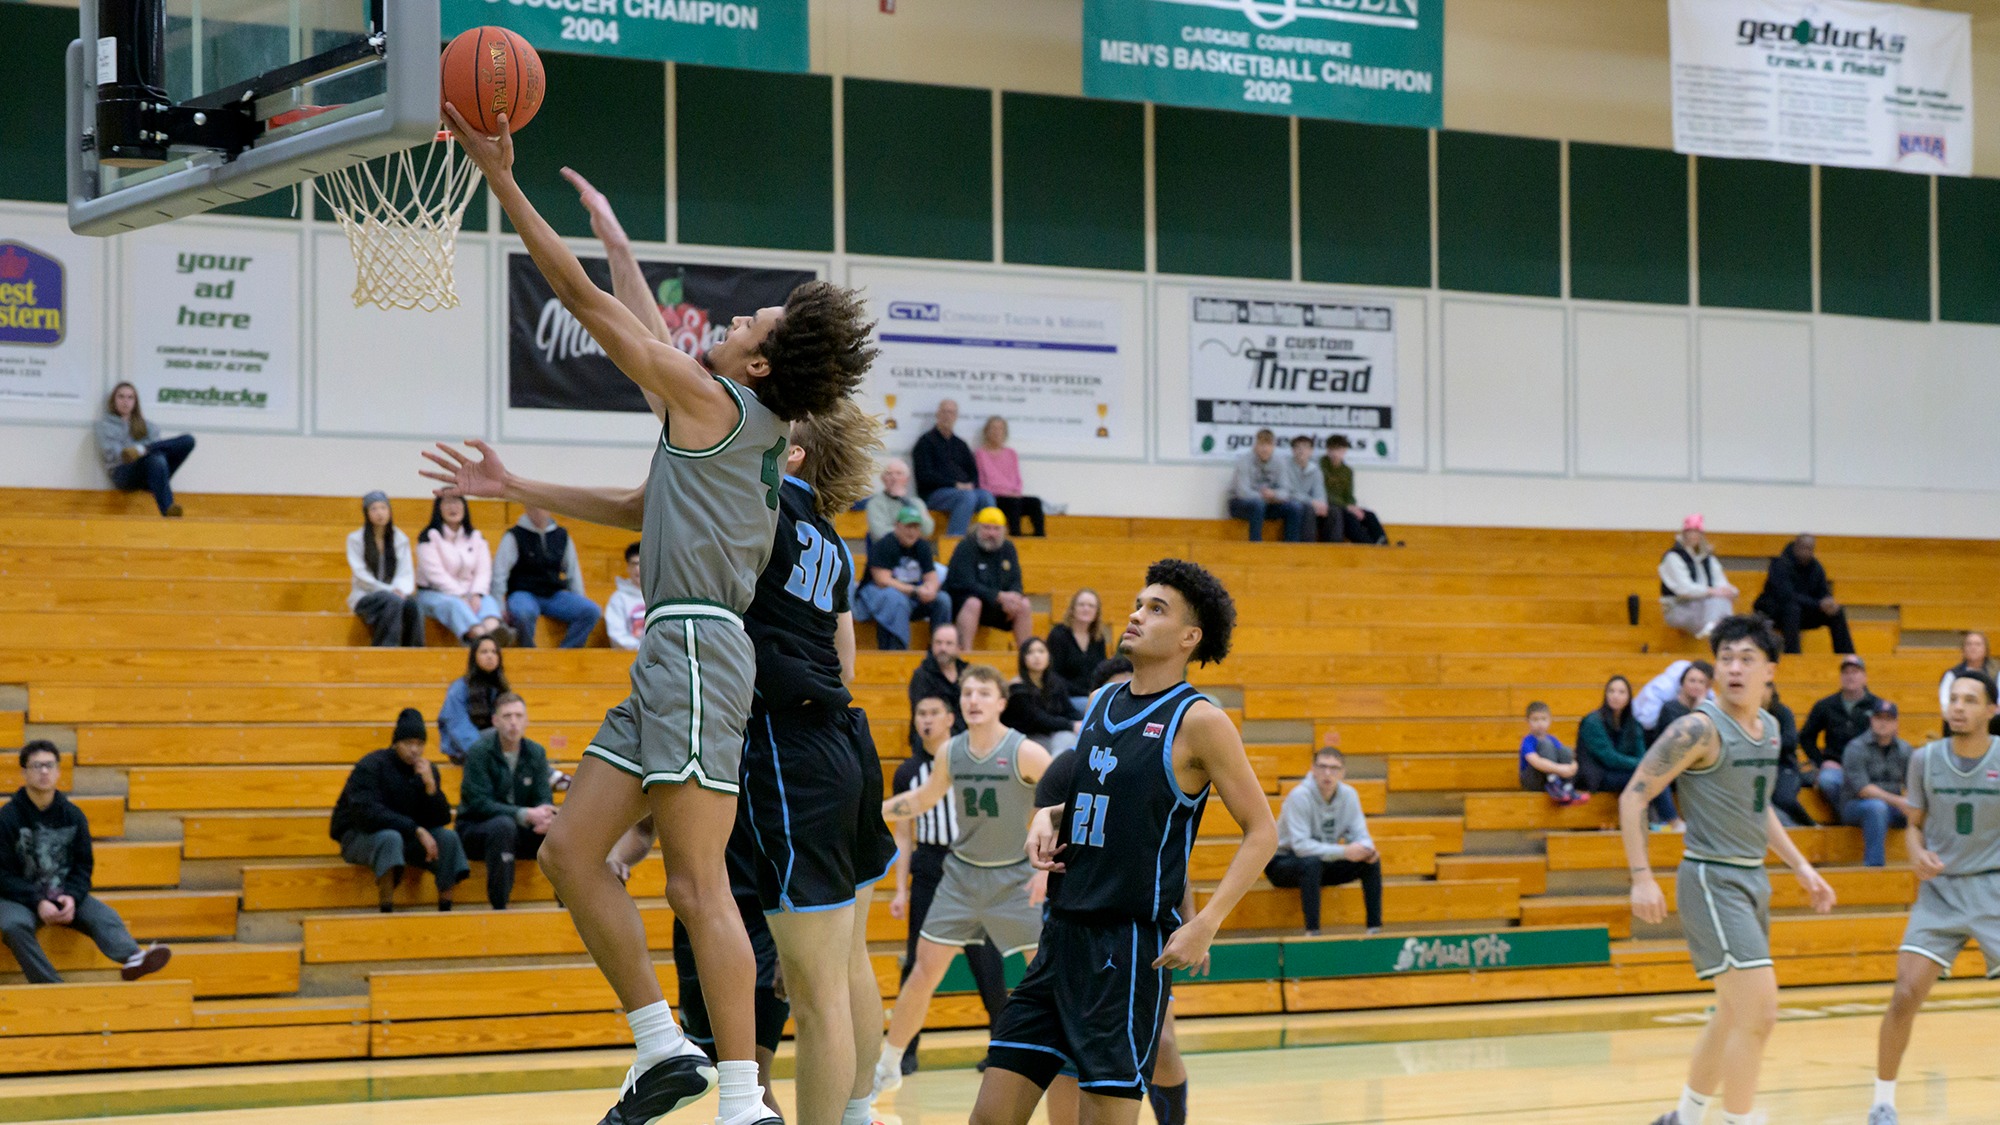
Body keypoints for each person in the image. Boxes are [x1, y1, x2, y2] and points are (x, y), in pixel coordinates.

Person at [423, 130, 872, 1125]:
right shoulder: (723, 421)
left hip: (705, 649)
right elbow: (642, 503)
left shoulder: (715, 405)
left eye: (746, 318)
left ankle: (745, 1100)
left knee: (697, 886)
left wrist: (500, 178)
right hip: (671, 651)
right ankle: (661, 1045)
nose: (724, 321)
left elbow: (588, 310)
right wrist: (514, 484)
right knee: (571, 853)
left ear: (755, 362)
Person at [972, 558, 1277, 1125]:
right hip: (1060, 937)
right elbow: (1105, 805)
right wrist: (1049, 818)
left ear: (1190, 637)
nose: (1136, 614)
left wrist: (1204, 922)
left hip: (1127, 949)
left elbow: (1263, 832)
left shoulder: (1201, 721)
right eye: (1139, 603)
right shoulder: (1103, 705)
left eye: (1156, 608)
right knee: (989, 1117)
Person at [732, 405, 902, 1125]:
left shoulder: (761, 511)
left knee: (814, 983)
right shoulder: (832, 540)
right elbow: (847, 658)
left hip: (791, 748)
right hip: (846, 740)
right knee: (849, 957)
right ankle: (859, 1111)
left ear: (792, 459)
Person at [1621, 615, 1836, 1125]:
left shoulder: (1771, 728)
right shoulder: (1697, 728)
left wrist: (1802, 867)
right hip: (1711, 879)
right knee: (1760, 1013)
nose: (1734, 669)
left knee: (1732, 1015)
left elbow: (1756, 807)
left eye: (1747, 659)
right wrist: (1641, 876)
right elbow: (1634, 796)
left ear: (1770, 671)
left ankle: (1684, 1118)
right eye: (1726, 659)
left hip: (1751, 878)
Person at [874, 666, 1053, 1100]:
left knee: (1044, 974)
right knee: (922, 973)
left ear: (1000, 703)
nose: (973, 699)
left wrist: (1045, 870)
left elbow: (1064, 804)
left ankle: (1060, 1059)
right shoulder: (951, 752)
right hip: (961, 877)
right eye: (968, 692)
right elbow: (923, 800)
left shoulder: (1025, 752)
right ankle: (889, 1064)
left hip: (1014, 878)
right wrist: (872, 813)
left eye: (983, 693)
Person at [1031, 726, 1195, 1125]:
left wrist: (1193, 922)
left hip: (1138, 929)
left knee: (1163, 1044)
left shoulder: (1151, 765)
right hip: (1073, 922)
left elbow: (1173, 858)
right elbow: (1041, 838)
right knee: (1067, 1057)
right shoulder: (1066, 768)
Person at [1869, 671, 2000, 1125]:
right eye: (1953, 699)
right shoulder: (1924, 759)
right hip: (1941, 892)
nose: (1958, 707)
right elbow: (1914, 824)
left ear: (1991, 711)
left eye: (1970, 699)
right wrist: (1916, 854)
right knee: (1905, 994)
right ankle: (1882, 1103)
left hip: (1993, 888)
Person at [609, 818, 788, 1123]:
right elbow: (643, 829)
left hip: (761, 925)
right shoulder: (675, 776)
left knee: (752, 1079)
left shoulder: (765, 772)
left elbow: (790, 841)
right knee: (721, 1067)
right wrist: (615, 859)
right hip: (694, 933)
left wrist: (789, 943)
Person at [886, 694, 1012, 1077]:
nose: (926, 720)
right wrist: (900, 889)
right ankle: (905, 1051)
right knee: (918, 961)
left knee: (986, 961)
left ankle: (1002, 1048)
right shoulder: (908, 772)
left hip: (970, 866)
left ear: (948, 719)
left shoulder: (968, 761)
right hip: (928, 867)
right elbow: (904, 837)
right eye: (920, 713)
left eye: (933, 713)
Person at [0, 741, 171, 983]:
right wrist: (37, 901)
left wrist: (72, 896)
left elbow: (83, 866)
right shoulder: (7, 818)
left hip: (62, 893)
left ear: (59, 771)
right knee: (13, 926)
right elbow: (3, 875)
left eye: (49, 765)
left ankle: (134, 958)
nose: (44, 772)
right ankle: (50, 984)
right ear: (24, 773)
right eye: (37, 766)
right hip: (19, 898)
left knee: (106, 915)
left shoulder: (73, 816)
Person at [328, 709, 469, 913]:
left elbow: (441, 819)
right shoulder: (371, 765)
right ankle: (387, 911)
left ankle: (445, 910)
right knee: (390, 838)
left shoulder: (426, 770)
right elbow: (368, 815)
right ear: (396, 743)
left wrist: (431, 788)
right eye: (408, 743)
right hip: (358, 836)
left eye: (420, 744)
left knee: (448, 838)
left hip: (404, 838)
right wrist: (416, 830)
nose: (414, 750)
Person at [1266, 743, 1382, 934]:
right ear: (1313, 769)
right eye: (1322, 767)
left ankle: (1374, 929)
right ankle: (1313, 933)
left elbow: (1362, 835)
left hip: (1321, 862)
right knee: (1311, 863)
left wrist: (1367, 850)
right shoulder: (1299, 796)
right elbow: (1301, 847)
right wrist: (1345, 851)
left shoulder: (1349, 795)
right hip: (1282, 863)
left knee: (1370, 862)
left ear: (1342, 772)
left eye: (1334, 768)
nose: (1328, 773)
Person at [455, 693, 555, 910]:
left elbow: (543, 797)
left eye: (519, 716)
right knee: (503, 826)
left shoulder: (536, 752)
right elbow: (478, 803)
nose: (513, 722)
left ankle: (569, 906)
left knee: (561, 829)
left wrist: (546, 816)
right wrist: (524, 814)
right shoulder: (479, 752)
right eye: (507, 716)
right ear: (495, 721)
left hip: (520, 831)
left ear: (526, 721)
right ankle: (500, 908)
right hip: (476, 829)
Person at [492, 506, 601, 649]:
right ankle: (529, 652)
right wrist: (498, 606)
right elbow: (500, 573)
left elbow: (573, 572)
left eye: (542, 507)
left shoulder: (562, 535)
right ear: (527, 508)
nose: (538, 511)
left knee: (591, 611)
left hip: (554, 595)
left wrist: (579, 598)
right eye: (533, 507)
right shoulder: (514, 535)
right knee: (524, 613)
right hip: (523, 593)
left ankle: (566, 654)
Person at [414, 493, 515, 648]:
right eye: (447, 503)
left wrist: (475, 593)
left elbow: (483, 571)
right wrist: (461, 595)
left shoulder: (476, 537)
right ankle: (483, 639)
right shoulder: (428, 538)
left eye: (457, 503)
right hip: (434, 593)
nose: (453, 507)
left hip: (470, 593)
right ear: (438, 509)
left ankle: (495, 632)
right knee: (455, 605)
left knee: (487, 602)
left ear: (465, 508)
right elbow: (435, 574)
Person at [1579, 675, 1678, 827]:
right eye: (1611, 691)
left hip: (1623, 772)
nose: (1615, 696)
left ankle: (1657, 822)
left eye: (1621, 692)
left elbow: (1641, 753)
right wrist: (1644, 764)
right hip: (1598, 775)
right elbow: (1609, 758)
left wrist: (1645, 764)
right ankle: (1672, 821)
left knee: (1652, 775)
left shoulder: (1633, 723)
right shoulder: (1593, 721)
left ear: (1628, 697)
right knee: (1649, 776)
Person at [853, 506, 952, 651]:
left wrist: (930, 589)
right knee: (894, 599)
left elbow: (931, 576)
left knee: (942, 599)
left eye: (916, 527)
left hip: (909, 597)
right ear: (897, 526)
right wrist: (915, 590)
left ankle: (939, 648)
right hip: (874, 596)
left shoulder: (922, 546)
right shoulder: (884, 544)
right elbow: (882, 580)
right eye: (908, 526)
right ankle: (896, 651)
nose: (912, 531)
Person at [96, 381, 194, 517]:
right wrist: (137, 455)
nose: (126, 401)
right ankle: (168, 510)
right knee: (156, 458)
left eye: (130, 397)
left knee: (188, 440)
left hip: (153, 472)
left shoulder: (148, 426)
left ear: (135, 402)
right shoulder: (105, 425)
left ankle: (144, 449)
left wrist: (142, 451)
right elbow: (116, 455)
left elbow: (159, 450)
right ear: (114, 400)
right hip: (124, 473)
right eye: (121, 397)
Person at [1839, 701, 1915, 869]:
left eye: (1888, 719)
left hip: (1893, 807)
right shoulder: (1856, 748)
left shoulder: (1905, 749)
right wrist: (1899, 801)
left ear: (1896, 723)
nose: (1883, 723)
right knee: (1876, 807)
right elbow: (1863, 789)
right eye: (1879, 717)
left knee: (1925, 808)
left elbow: (1914, 784)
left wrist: (1911, 802)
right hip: (1856, 806)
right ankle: (1875, 868)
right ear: (1871, 720)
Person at [944, 507, 1034, 648]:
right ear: (978, 528)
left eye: (996, 529)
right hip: (965, 604)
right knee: (974, 603)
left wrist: (1013, 598)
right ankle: (965, 656)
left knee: (1024, 604)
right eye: (987, 528)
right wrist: (998, 596)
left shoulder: (1008, 548)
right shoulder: (966, 546)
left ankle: (1026, 655)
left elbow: (1016, 580)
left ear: (1003, 531)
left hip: (997, 606)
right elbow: (965, 583)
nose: (991, 533)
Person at [1752, 534, 1854, 654]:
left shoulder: (1816, 567)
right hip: (1774, 612)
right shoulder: (1779, 564)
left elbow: (1823, 593)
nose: (1806, 552)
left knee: (1836, 612)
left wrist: (1828, 602)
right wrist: (1818, 604)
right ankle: (1793, 656)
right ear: (1796, 546)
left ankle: (1848, 658)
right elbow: (1787, 596)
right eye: (1803, 548)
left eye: (1810, 549)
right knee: (1792, 609)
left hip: (1803, 612)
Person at [1802, 654, 1880, 810]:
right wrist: (1820, 762)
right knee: (1827, 781)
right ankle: (1848, 813)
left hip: (1866, 768)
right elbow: (1806, 737)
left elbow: (1886, 739)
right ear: (1840, 677)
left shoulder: (1877, 706)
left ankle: (1855, 812)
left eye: (1855, 672)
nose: (1850, 676)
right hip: (1835, 765)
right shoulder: (1825, 705)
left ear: (1864, 677)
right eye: (1846, 672)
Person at [347, 491, 424, 647]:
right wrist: (389, 590)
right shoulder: (355, 539)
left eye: (383, 508)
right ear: (367, 513)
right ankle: (385, 650)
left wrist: (400, 591)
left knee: (413, 604)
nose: (379, 513)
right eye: (374, 509)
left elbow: (405, 572)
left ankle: (415, 653)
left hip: (394, 594)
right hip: (366, 595)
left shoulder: (400, 538)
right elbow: (361, 574)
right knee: (392, 601)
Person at [912, 400, 996, 536]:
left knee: (986, 496)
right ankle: (954, 543)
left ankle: (987, 540)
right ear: (937, 415)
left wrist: (970, 484)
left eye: (951, 412)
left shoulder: (961, 444)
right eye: (944, 411)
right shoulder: (925, 442)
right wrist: (955, 485)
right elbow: (924, 476)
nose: (947, 416)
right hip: (934, 494)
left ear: (956, 416)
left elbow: (973, 473)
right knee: (967, 497)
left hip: (962, 491)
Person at [1658, 515, 1738, 640]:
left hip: (1704, 606)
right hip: (1679, 607)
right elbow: (1684, 589)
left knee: (1723, 599)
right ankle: (1717, 629)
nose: (1693, 535)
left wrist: (1730, 591)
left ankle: (1716, 628)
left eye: (1697, 532)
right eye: (1690, 531)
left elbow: (1721, 584)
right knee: (1717, 599)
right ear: (1684, 533)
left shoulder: (1708, 558)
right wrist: (1711, 591)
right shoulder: (1673, 557)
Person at [438, 636, 510, 765]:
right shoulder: (460, 687)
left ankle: (547, 773)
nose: (490, 656)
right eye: (484, 652)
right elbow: (457, 726)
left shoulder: (501, 688)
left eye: (494, 652)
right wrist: (482, 753)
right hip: (463, 751)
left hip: (493, 748)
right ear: (474, 657)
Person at [1004, 636, 1083, 757]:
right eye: (1030, 652)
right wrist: (1071, 725)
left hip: (1050, 732)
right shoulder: (1017, 688)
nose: (1037, 656)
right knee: (1065, 739)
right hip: (1026, 736)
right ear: (1022, 658)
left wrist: (1084, 722)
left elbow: (1068, 709)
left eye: (1041, 651)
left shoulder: (1055, 681)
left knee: (1070, 737)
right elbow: (1038, 719)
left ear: (1048, 656)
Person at [1227, 429, 1304, 543]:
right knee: (1258, 504)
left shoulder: (1280, 462)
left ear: (1273, 446)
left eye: (1268, 445)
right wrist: (1263, 496)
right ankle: (1256, 546)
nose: (1265, 449)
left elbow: (1286, 492)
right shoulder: (1244, 461)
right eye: (1261, 444)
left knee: (1295, 507)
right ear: (1255, 446)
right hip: (1241, 504)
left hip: (1269, 503)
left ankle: (1290, 547)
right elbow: (1242, 492)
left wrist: (1274, 494)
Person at [975, 415, 1045, 537]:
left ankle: (1039, 537)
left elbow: (1018, 480)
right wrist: (1005, 492)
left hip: (1012, 496)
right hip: (995, 497)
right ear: (986, 432)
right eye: (993, 428)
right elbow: (981, 484)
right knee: (1014, 503)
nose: (997, 432)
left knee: (1035, 502)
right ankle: (1015, 535)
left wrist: (1016, 492)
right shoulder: (980, 454)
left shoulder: (1011, 453)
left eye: (1000, 429)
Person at [1317, 435, 1389, 545]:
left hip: (1344, 506)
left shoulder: (1347, 471)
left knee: (1369, 515)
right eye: (1333, 450)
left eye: (1340, 450)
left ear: (1345, 451)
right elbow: (1323, 493)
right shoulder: (1320, 466)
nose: (1336, 454)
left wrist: (1352, 506)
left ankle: (1384, 545)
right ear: (1328, 450)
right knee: (1348, 517)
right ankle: (1368, 545)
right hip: (1329, 507)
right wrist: (1347, 506)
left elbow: (1349, 494)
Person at [907, 623, 969, 749]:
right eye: (938, 643)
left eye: (949, 643)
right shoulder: (922, 675)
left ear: (959, 647)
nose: (943, 648)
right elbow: (925, 713)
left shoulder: (968, 674)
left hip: (966, 742)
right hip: (930, 741)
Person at [1764, 685, 1816, 828]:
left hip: (1784, 765)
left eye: (1765, 687)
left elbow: (1791, 741)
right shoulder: (1746, 713)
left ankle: (1810, 825)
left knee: (1784, 799)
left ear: (1771, 691)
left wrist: (1766, 743)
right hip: (1758, 765)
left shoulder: (1782, 712)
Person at [1046, 590, 1108, 713]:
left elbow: (1103, 671)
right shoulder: (1058, 635)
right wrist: (1086, 693)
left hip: (1091, 696)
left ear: (1096, 613)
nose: (1086, 609)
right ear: (1072, 608)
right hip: (1065, 697)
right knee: (1098, 710)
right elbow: (1053, 675)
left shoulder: (1098, 638)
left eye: (1091, 606)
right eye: (1081, 604)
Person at [1519, 702, 1588, 806]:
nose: (1540, 723)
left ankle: (1566, 787)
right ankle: (1553, 783)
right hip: (1533, 779)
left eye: (1543, 719)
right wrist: (1560, 769)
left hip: (1553, 774)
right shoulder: (1528, 740)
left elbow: (1564, 756)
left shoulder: (1552, 739)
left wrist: (1572, 767)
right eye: (1535, 720)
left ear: (1549, 721)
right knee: (1546, 745)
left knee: (1566, 751)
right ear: (1528, 721)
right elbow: (1535, 761)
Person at [1937, 631, 2000, 736]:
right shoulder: (1952, 675)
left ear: (1986, 649)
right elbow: (1945, 706)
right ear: (1963, 649)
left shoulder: (1997, 673)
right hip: (1960, 721)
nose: (1973, 648)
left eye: (1977, 644)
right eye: (1969, 644)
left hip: (1992, 723)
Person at [1284, 435, 1341, 542]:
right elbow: (1288, 492)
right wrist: (1312, 502)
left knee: (1334, 511)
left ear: (1311, 451)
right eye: (1298, 447)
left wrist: (1321, 504)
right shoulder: (1285, 467)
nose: (1301, 451)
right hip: (1292, 503)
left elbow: (1320, 491)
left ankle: (1333, 549)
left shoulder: (1315, 469)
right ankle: (1308, 549)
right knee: (1308, 510)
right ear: (1293, 450)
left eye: (1305, 447)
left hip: (1310, 504)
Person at [863, 458, 934, 543]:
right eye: (889, 474)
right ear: (883, 479)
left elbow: (927, 530)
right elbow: (879, 533)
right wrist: (910, 530)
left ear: (907, 479)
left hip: (913, 549)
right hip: (887, 549)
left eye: (899, 473)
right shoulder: (875, 503)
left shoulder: (916, 502)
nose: (894, 478)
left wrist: (906, 502)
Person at [1650, 661, 1714, 743]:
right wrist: (1696, 712)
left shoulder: (1711, 709)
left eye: (1701, 682)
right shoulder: (1670, 709)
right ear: (1682, 683)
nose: (1696, 686)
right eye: (1692, 681)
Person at [605, 542, 645, 652]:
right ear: (628, 568)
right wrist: (642, 650)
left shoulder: (660, 595)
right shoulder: (618, 599)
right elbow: (616, 635)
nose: (638, 569)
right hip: (629, 657)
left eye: (642, 563)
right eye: (634, 564)